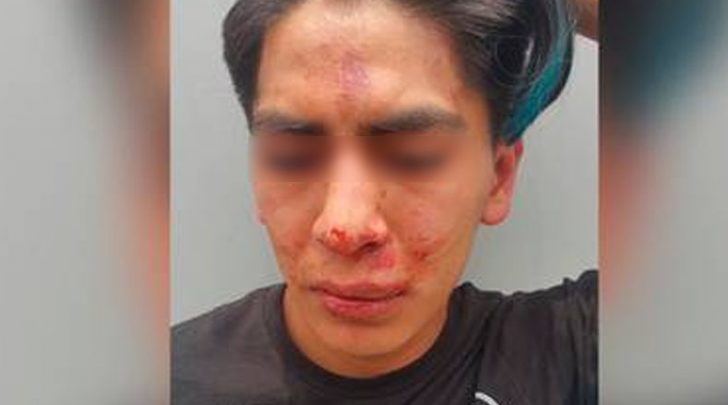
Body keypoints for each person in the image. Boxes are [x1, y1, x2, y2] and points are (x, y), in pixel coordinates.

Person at [172, 0, 597, 403]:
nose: (346, 227)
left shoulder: (570, 361)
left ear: (498, 178)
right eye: (292, 155)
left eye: (412, 154)